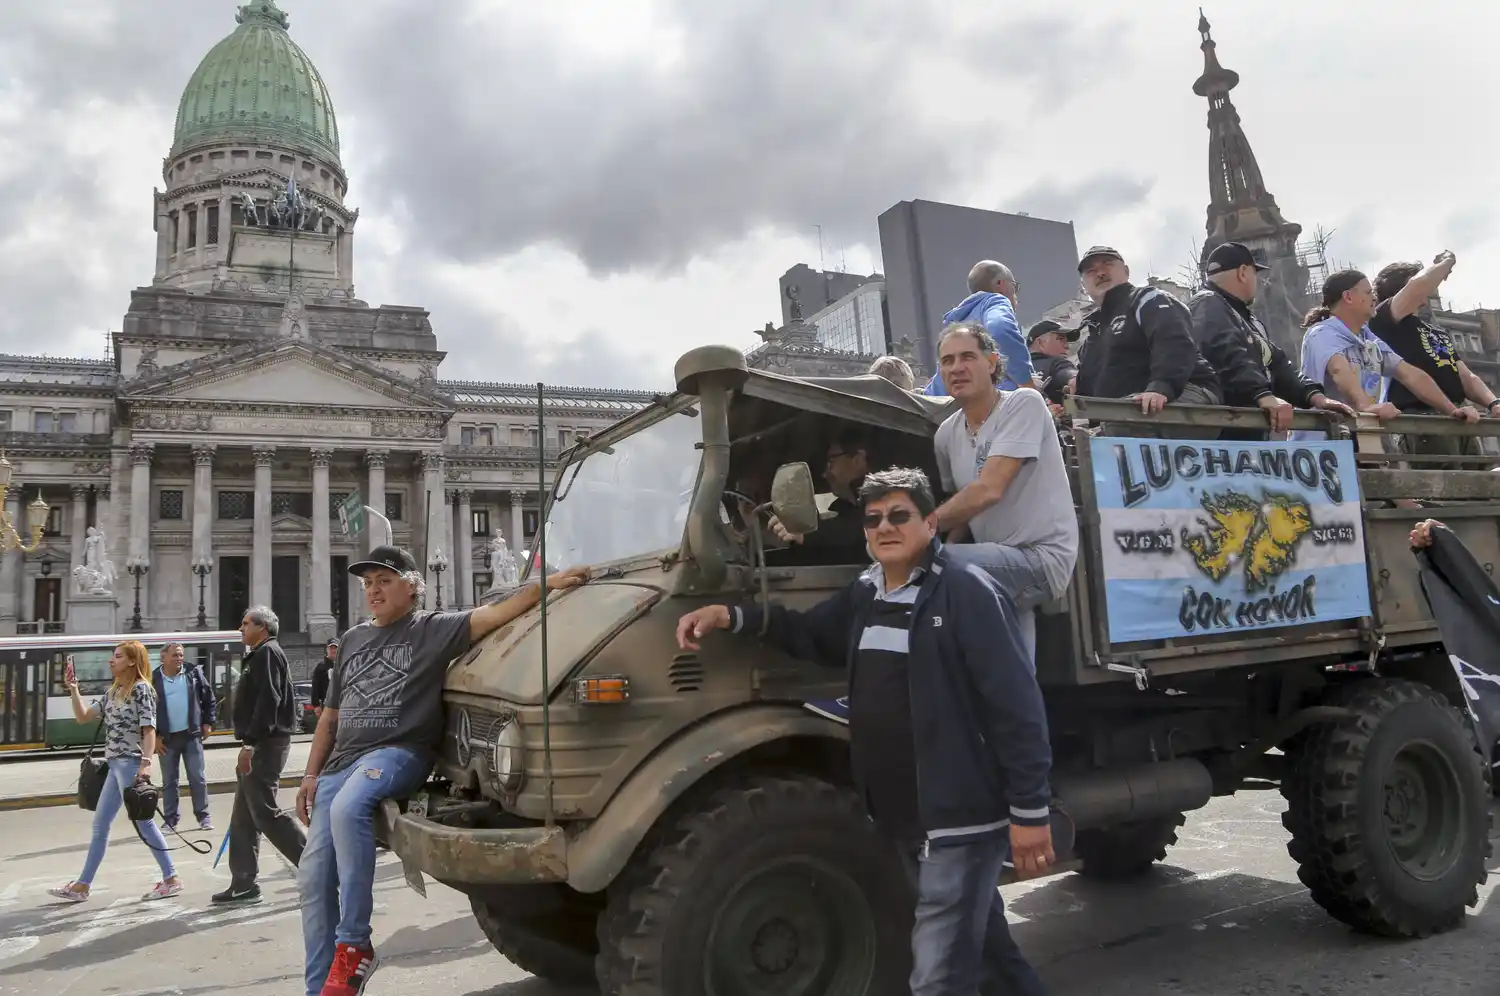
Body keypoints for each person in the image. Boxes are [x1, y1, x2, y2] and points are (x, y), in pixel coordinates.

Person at [675, 468, 1053, 996]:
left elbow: (1017, 706)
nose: (885, 527)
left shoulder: (966, 593)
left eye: (900, 515)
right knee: (988, 948)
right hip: (903, 815)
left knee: (937, 975)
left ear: (929, 522)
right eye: (873, 519)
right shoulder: (868, 593)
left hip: (956, 818)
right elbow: (809, 632)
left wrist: (1030, 813)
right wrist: (731, 616)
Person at [296, 544, 589, 996]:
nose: (373, 590)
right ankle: (320, 988)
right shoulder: (352, 639)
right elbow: (330, 718)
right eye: (368, 583)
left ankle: (354, 945)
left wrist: (545, 586)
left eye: (384, 581)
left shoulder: (431, 630)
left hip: (397, 752)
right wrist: (310, 775)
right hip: (339, 763)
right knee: (313, 879)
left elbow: (492, 616)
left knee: (350, 809)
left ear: (411, 588)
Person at [930, 321, 1079, 660]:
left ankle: (880, 687)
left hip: (1040, 558)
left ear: (992, 362)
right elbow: (963, 510)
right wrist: (942, 543)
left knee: (916, 567)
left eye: (967, 356)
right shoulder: (945, 435)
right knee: (1017, 678)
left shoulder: (1023, 404)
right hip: (995, 559)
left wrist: (919, 535)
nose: (956, 367)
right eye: (947, 360)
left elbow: (988, 490)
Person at [48, 641, 183, 903]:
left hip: (131, 763)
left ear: (132, 661)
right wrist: (73, 690)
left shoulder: (142, 690)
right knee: (101, 824)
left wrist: (145, 765)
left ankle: (171, 878)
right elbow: (84, 716)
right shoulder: (114, 691)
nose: (112, 661)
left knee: (144, 821)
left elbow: (149, 729)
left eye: (118, 657)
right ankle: (82, 886)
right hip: (114, 764)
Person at [1189, 241, 1355, 439]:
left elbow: (1278, 363)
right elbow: (1225, 351)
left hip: (1245, 436)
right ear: (1243, 273)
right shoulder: (1207, 303)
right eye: (1254, 273)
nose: (1257, 281)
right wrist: (1261, 394)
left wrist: (1314, 396)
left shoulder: (1244, 318)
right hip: (1223, 439)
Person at [1291, 269, 1475, 442]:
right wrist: (1365, 407)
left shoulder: (1368, 338)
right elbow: (1339, 370)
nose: (1374, 297)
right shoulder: (1323, 332)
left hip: (1361, 435)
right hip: (1322, 443)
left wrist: (1451, 410)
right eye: (1367, 292)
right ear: (1348, 297)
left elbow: (1410, 375)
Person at [1073, 246, 1222, 435]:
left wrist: (1161, 387)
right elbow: (1088, 391)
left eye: (1107, 265)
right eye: (1091, 271)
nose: (1100, 273)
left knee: (1123, 423)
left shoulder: (1148, 299)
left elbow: (1173, 341)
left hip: (1185, 391)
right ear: (1084, 286)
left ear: (1126, 271)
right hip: (1130, 410)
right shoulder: (1092, 335)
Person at [214, 605, 306, 906]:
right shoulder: (262, 652)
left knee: (264, 812)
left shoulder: (267, 653)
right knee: (243, 817)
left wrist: (250, 744)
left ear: (262, 627)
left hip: (267, 743)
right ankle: (243, 883)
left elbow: (270, 699)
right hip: (262, 741)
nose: (240, 628)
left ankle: (316, 866)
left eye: (245, 623)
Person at [1370, 252, 1497, 454]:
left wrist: (1493, 402)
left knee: (1477, 479)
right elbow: (1419, 284)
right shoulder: (1385, 319)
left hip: (1460, 415)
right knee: (1442, 481)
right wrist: (1447, 262)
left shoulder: (1435, 331)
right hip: (1420, 419)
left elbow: (1464, 376)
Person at [923, 260, 1037, 396]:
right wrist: (1026, 382)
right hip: (997, 407)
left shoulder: (958, 322)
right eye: (1014, 286)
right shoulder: (995, 301)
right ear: (1000, 284)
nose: (1016, 295)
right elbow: (1000, 329)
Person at [770, 425, 874, 550]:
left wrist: (805, 532)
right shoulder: (845, 510)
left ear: (858, 459)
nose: (825, 474)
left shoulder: (881, 497)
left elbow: (858, 530)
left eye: (831, 462)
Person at [152, 641, 217, 831]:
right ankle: (171, 819)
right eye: (175, 655)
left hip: (191, 736)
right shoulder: (154, 678)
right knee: (169, 781)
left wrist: (208, 722)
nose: (179, 659)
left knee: (197, 778)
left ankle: (203, 817)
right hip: (166, 740)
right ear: (163, 657)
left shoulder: (193, 673)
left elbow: (209, 698)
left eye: (181, 655)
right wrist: (154, 736)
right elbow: (146, 710)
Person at [1025, 319, 1079, 413]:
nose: (1067, 346)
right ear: (1040, 343)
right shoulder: (1057, 364)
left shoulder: (1013, 370)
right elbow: (1075, 380)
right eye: (1061, 339)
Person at [310, 638, 338, 718]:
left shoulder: (343, 665)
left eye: (336, 648)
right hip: (326, 704)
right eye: (331, 648)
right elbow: (315, 687)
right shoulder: (320, 667)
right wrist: (316, 705)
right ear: (327, 649)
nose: (333, 650)